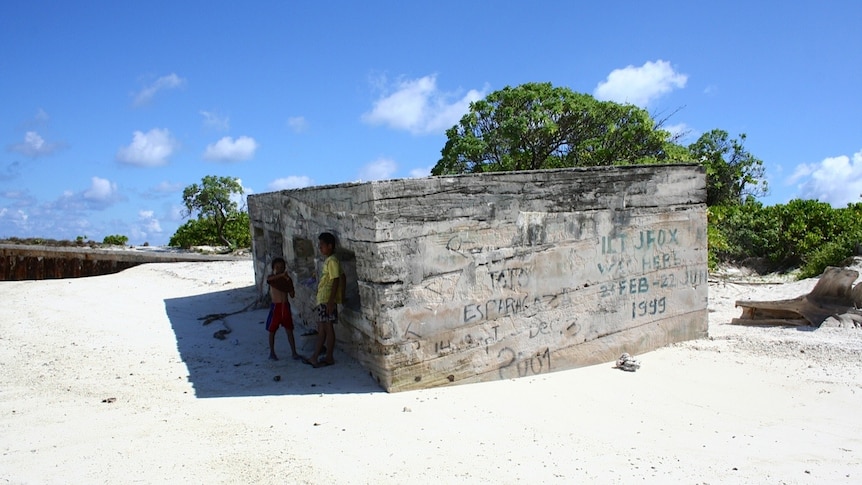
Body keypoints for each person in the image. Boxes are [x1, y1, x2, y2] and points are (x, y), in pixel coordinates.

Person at [304, 232, 342, 367]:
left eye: (322, 245)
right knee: (322, 328)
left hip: (327, 299)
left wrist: (331, 301)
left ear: (330, 246)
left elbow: (335, 279)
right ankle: (316, 356)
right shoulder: (329, 260)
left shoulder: (332, 261)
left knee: (327, 327)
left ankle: (328, 356)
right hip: (324, 299)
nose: (320, 248)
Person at [265, 257, 298, 361]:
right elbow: (269, 279)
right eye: (277, 267)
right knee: (272, 330)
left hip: (285, 306)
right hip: (276, 307)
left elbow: (292, 294)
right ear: (273, 268)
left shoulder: (286, 280)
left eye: (282, 267)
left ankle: (294, 352)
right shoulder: (272, 278)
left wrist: (289, 284)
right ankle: (272, 352)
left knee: (289, 330)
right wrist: (282, 276)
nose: (279, 269)